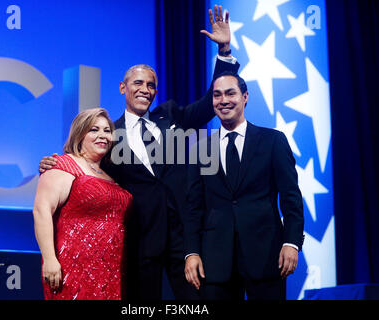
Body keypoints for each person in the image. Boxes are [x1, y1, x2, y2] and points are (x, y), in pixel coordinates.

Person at [39, 5, 240, 300]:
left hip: (183, 237)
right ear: (123, 88)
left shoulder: (171, 115)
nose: (146, 89)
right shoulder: (108, 135)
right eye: (138, 83)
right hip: (137, 238)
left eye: (151, 85)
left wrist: (224, 52)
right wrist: (56, 164)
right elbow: (84, 166)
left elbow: (211, 102)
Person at [183, 71, 304, 300]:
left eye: (230, 93)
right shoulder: (200, 149)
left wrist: (292, 242)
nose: (223, 100)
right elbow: (193, 208)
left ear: (245, 96)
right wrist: (191, 252)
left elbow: (291, 198)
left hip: (267, 256)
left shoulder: (273, 141)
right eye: (217, 95)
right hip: (215, 260)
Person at [33, 108, 133, 300]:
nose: (102, 135)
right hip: (72, 266)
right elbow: (41, 210)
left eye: (106, 130)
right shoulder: (63, 165)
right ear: (80, 134)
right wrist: (50, 259)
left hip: (109, 270)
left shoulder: (110, 174)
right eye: (94, 130)